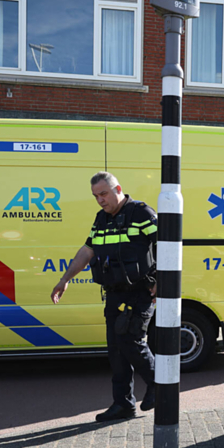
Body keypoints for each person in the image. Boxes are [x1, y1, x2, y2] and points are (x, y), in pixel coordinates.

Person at [52, 172, 157, 423]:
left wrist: (164, 278)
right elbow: (87, 251)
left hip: (139, 291)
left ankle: (160, 385)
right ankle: (123, 404)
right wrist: (65, 279)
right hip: (114, 293)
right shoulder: (102, 219)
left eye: (103, 194)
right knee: (116, 352)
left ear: (117, 188)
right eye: (95, 196)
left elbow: (167, 242)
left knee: (131, 341)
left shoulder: (141, 213)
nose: (100, 200)